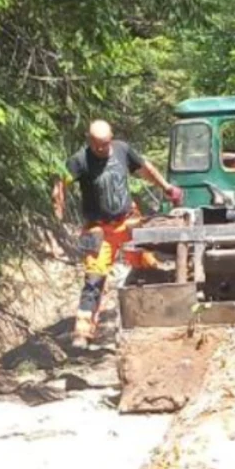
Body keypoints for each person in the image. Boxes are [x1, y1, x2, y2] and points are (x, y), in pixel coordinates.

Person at [52, 119, 183, 347]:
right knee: (94, 276)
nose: (102, 149)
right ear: (89, 140)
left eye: (105, 144)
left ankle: (161, 311)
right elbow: (60, 185)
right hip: (98, 228)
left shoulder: (122, 150)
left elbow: (145, 169)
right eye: (97, 145)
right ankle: (83, 331)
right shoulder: (79, 161)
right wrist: (58, 213)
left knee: (144, 262)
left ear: (111, 138)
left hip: (128, 220)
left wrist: (167, 188)